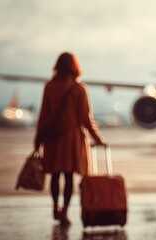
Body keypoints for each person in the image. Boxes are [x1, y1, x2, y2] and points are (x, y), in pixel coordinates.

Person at [34, 52, 106, 226]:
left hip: (52, 138)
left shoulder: (49, 86)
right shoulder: (79, 89)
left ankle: (54, 206)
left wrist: (38, 138)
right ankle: (65, 211)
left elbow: (43, 114)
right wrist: (99, 139)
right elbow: (86, 118)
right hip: (71, 139)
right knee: (68, 177)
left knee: (54, 175)